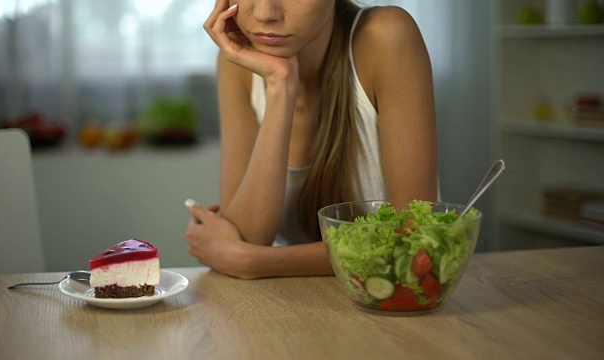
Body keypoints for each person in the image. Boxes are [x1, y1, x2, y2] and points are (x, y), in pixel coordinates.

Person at [185, 0, 438, 279]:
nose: (265, 13)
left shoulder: (386, 36)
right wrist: (281, 85)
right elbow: (247, 236)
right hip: (296, 307)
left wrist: (253, 262)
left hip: (388, 306)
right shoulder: (237, 60)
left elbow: (411, 236)